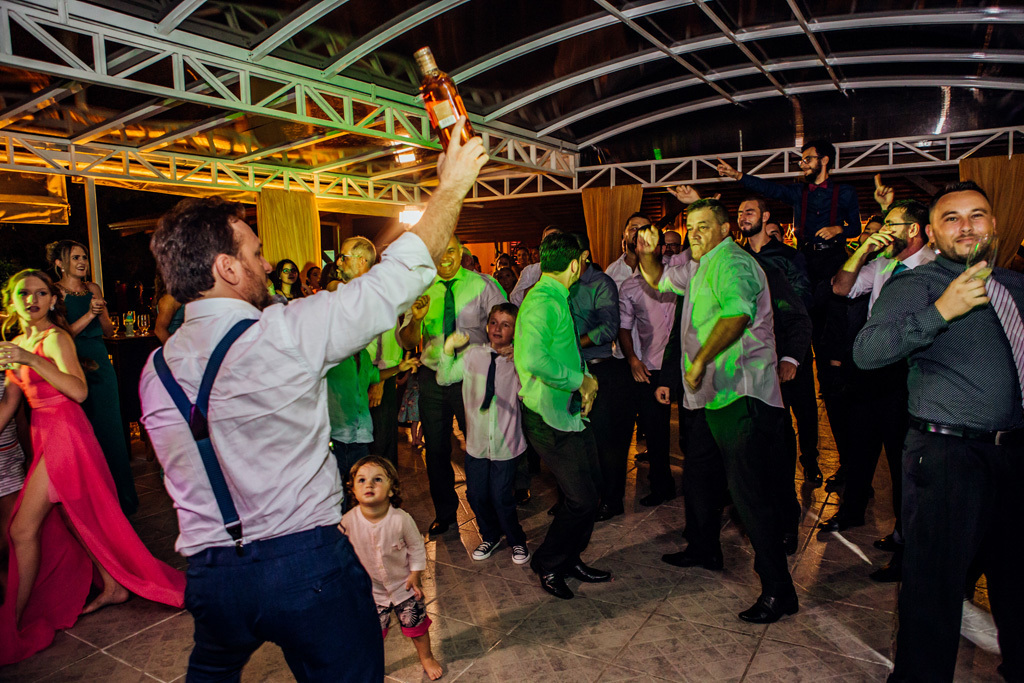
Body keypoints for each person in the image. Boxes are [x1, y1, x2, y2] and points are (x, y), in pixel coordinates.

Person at [138, 117, 487, 681]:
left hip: (211, 578)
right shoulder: (281, 333)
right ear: (226, 268)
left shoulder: (154, 371)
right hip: (306, 567)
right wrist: (450, 188)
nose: (266, 262)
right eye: (253, 253)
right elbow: (391, 281)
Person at [854, 181, 1024, 683]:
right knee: (934, 590)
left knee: (1017, 581)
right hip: (947, 454)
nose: (966, 226)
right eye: (952, 218)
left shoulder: (1015, 286)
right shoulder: (919, 285)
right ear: (931, 231)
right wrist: (940, 312)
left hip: (1014, 453)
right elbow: (868, 351)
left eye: (977, 215)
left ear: (994, 224)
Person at [0, 270, 185, 665]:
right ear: (11, 300)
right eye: (22, 293)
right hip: (43, 435)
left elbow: (79, 390)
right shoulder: (17, 342)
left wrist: (30, 358)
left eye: (40, 293)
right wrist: (21, 356)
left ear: (52, 301)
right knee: (75, 517)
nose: (31, 299)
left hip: (65, 433)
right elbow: (7, 407)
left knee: (22, 528)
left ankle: (10, 623)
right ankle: (113, 584)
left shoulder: (54, 338)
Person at [638, 199, 797, 624]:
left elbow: (737, 316)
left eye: (704, 226)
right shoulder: (696, 263)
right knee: (699, 477)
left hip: (740, 394)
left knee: (748, 495)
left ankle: (779, 591)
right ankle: (705, 548)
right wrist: (647, 251)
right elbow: (658, 281)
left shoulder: (733, 263)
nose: (694, 233)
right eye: (690, 227)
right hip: (710, 399)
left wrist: (700, 359)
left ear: (726, 229)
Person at [821, 200, 936, 585]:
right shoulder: (884, 264)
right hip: (871, 370)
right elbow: (840, 286)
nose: (884, 228)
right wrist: (864, 247)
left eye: (891, 223)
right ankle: (852, 509)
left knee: (904, 462)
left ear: (914, 230)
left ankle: (905, 543)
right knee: (859, 443)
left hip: (910, 373)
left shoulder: (934, 268)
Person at [515, 232, 607, 600]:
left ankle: (570, 558)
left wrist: (582, 383)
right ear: (576, 262)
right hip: (547, 416)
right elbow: (533, 359)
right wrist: (579, 380)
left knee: (592, 491)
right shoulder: (541, 301)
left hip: (568, 413)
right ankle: (549, 562)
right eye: (583, 261)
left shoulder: (557, 296)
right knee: (580, 498)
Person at [398, 234, 506, 536]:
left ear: (461, 253)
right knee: (435, 449)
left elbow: (504, 328)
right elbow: (406, 340)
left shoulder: (482, 285)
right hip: (433, 378)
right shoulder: (421, 289)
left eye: (450, 251)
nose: (444, 257)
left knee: (480, 444)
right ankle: (445, 513)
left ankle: (489, 511)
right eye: (438, 252)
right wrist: (417, 321)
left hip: (473, 376)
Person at [46, 239, 137, 516]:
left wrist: (103, 313)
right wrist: (89, 314)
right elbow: (61, 335)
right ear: (60, 264)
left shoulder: (94, 288)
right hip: (72, 363)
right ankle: (94, 501)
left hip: (100, 363)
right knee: (85, 432)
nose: (82, 262)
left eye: (84, 257)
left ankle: (122, 499)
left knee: (111, 429)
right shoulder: (54, 294)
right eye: (75, 258)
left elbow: (109, 331)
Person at [438, 304, 530, 566]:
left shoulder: (518, 360)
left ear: (515, 330)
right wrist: (447, 349)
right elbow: (444, 377)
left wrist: (522, 356)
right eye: (493, 322)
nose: (497, 328)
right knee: (476, 495)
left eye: (506, 324)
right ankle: (490, 535)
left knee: (502, 496)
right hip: (477, 445)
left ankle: (517, 540)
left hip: (506, 443)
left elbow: (529, 390)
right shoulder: (473, 356)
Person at [341, 457, 442, 681]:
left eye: (377, 479)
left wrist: (415, 574)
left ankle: (426, 656)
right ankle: (370, 665)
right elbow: (338, 553)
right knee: (371, 634)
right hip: (370, 592)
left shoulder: (401, 519)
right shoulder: (347, 522)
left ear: (391, 489)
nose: (369, 485)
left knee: (417, 627)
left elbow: (417, 547)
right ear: (353, 489)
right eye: (362, 480)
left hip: (404, 586)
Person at [327, 237, 420, 473]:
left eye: (344, 257)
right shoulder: (340, 291)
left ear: (361, 261)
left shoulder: (387, 293)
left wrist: (381, 381)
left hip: (378, 379)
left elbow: (398, 340)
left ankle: (381, 503)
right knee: (348, 449)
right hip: (347, 379)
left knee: (380, 450)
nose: (338, 262)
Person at [569, 233, 630, 521]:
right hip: (570, 371)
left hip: (600, 368)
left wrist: (574, 343)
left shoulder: (601, 283)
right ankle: (579, 498)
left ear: (583, 256)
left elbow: (609, 328)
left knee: (606, 444)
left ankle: (611, 500)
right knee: (576, 439)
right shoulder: (560, 285)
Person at [617, 231, 677, 507]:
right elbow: (624, 328)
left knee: (696, 430)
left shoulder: (679, 273)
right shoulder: (629, 287)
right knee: (656, 431)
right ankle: (663, 485)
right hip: (651, 366)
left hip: (686, 362)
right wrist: (632, 359)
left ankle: (714, 486)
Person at [509, 225, 562, 306]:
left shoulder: (571, 268)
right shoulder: (530, 270)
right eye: (547, 240)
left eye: (555, 239)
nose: (551, 243)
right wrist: (541, 282)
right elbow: (514, 299)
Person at [154, 271, 184, 344]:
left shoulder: (179, 296)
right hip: (178, 348)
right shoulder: (170, 298)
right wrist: (174, 349)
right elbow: (159, 330)